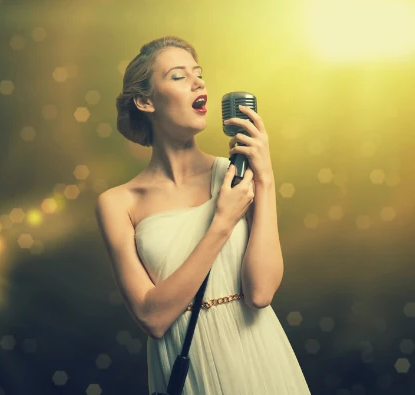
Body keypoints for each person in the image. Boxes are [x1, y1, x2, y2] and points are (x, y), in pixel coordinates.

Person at [94, 36, 311, 394]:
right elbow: (153, 317)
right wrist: (222, 222)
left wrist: (266, 178)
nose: (199, 83)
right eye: (179, 76)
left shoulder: (237, 175)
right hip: (186, 366)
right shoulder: (118, 203)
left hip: (258, 358)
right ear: (145, 101)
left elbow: (260, 293)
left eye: (199, 74)